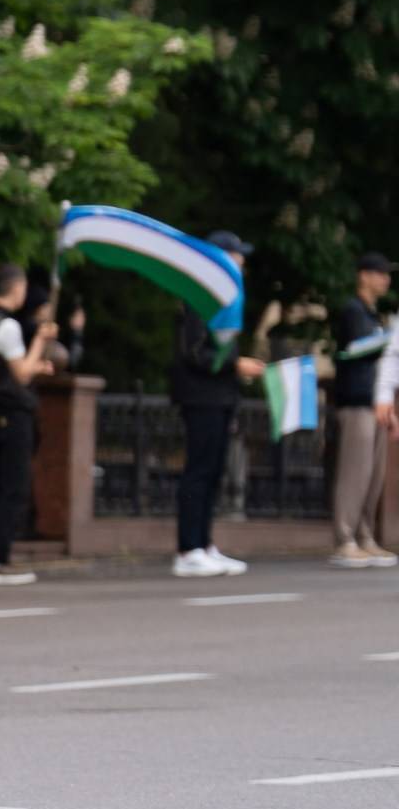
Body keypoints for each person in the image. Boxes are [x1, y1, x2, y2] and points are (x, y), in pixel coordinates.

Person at [172, 231, 263, 578]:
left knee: (212, 472)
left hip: (220, 396)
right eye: (238, 255)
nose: (242, 262)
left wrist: (235, 368)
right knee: (199, 471)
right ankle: (187, 549)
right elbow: (195, 353)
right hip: (201, 397)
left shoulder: (221, 298)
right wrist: (234, 366)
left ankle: (204, 543)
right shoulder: (198, 297)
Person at [0, 263, 57, 587]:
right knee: (12, 486)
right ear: (17, 288)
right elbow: (20, 374)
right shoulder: (6, 327)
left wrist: (37, 366)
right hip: (11, 411)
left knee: (4, 485)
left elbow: (13, 370)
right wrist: (41, 338)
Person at [325, 251, 396, 567]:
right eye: (380, 273)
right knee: (355, 473)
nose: (386, 279)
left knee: (373, 475)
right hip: (355, 403)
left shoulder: (372, 315)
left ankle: (365, 537)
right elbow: (353, 350)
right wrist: (390, 339)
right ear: (364, 275)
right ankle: (345, 539)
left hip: (375, 403)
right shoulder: (353, 311)